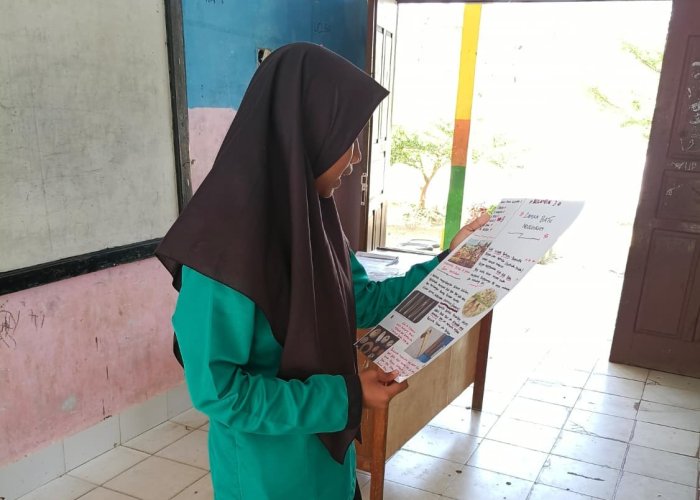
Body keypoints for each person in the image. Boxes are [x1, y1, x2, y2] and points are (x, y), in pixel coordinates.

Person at [156, 42, 489, 500]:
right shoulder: (221, 250)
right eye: (347, 139)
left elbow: (361, 299)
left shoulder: (314, 219)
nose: (356, 158)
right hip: (268, 478)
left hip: (328, 463)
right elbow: (221, 392)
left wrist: (450, 262)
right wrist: (346, 397)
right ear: (305, 132)